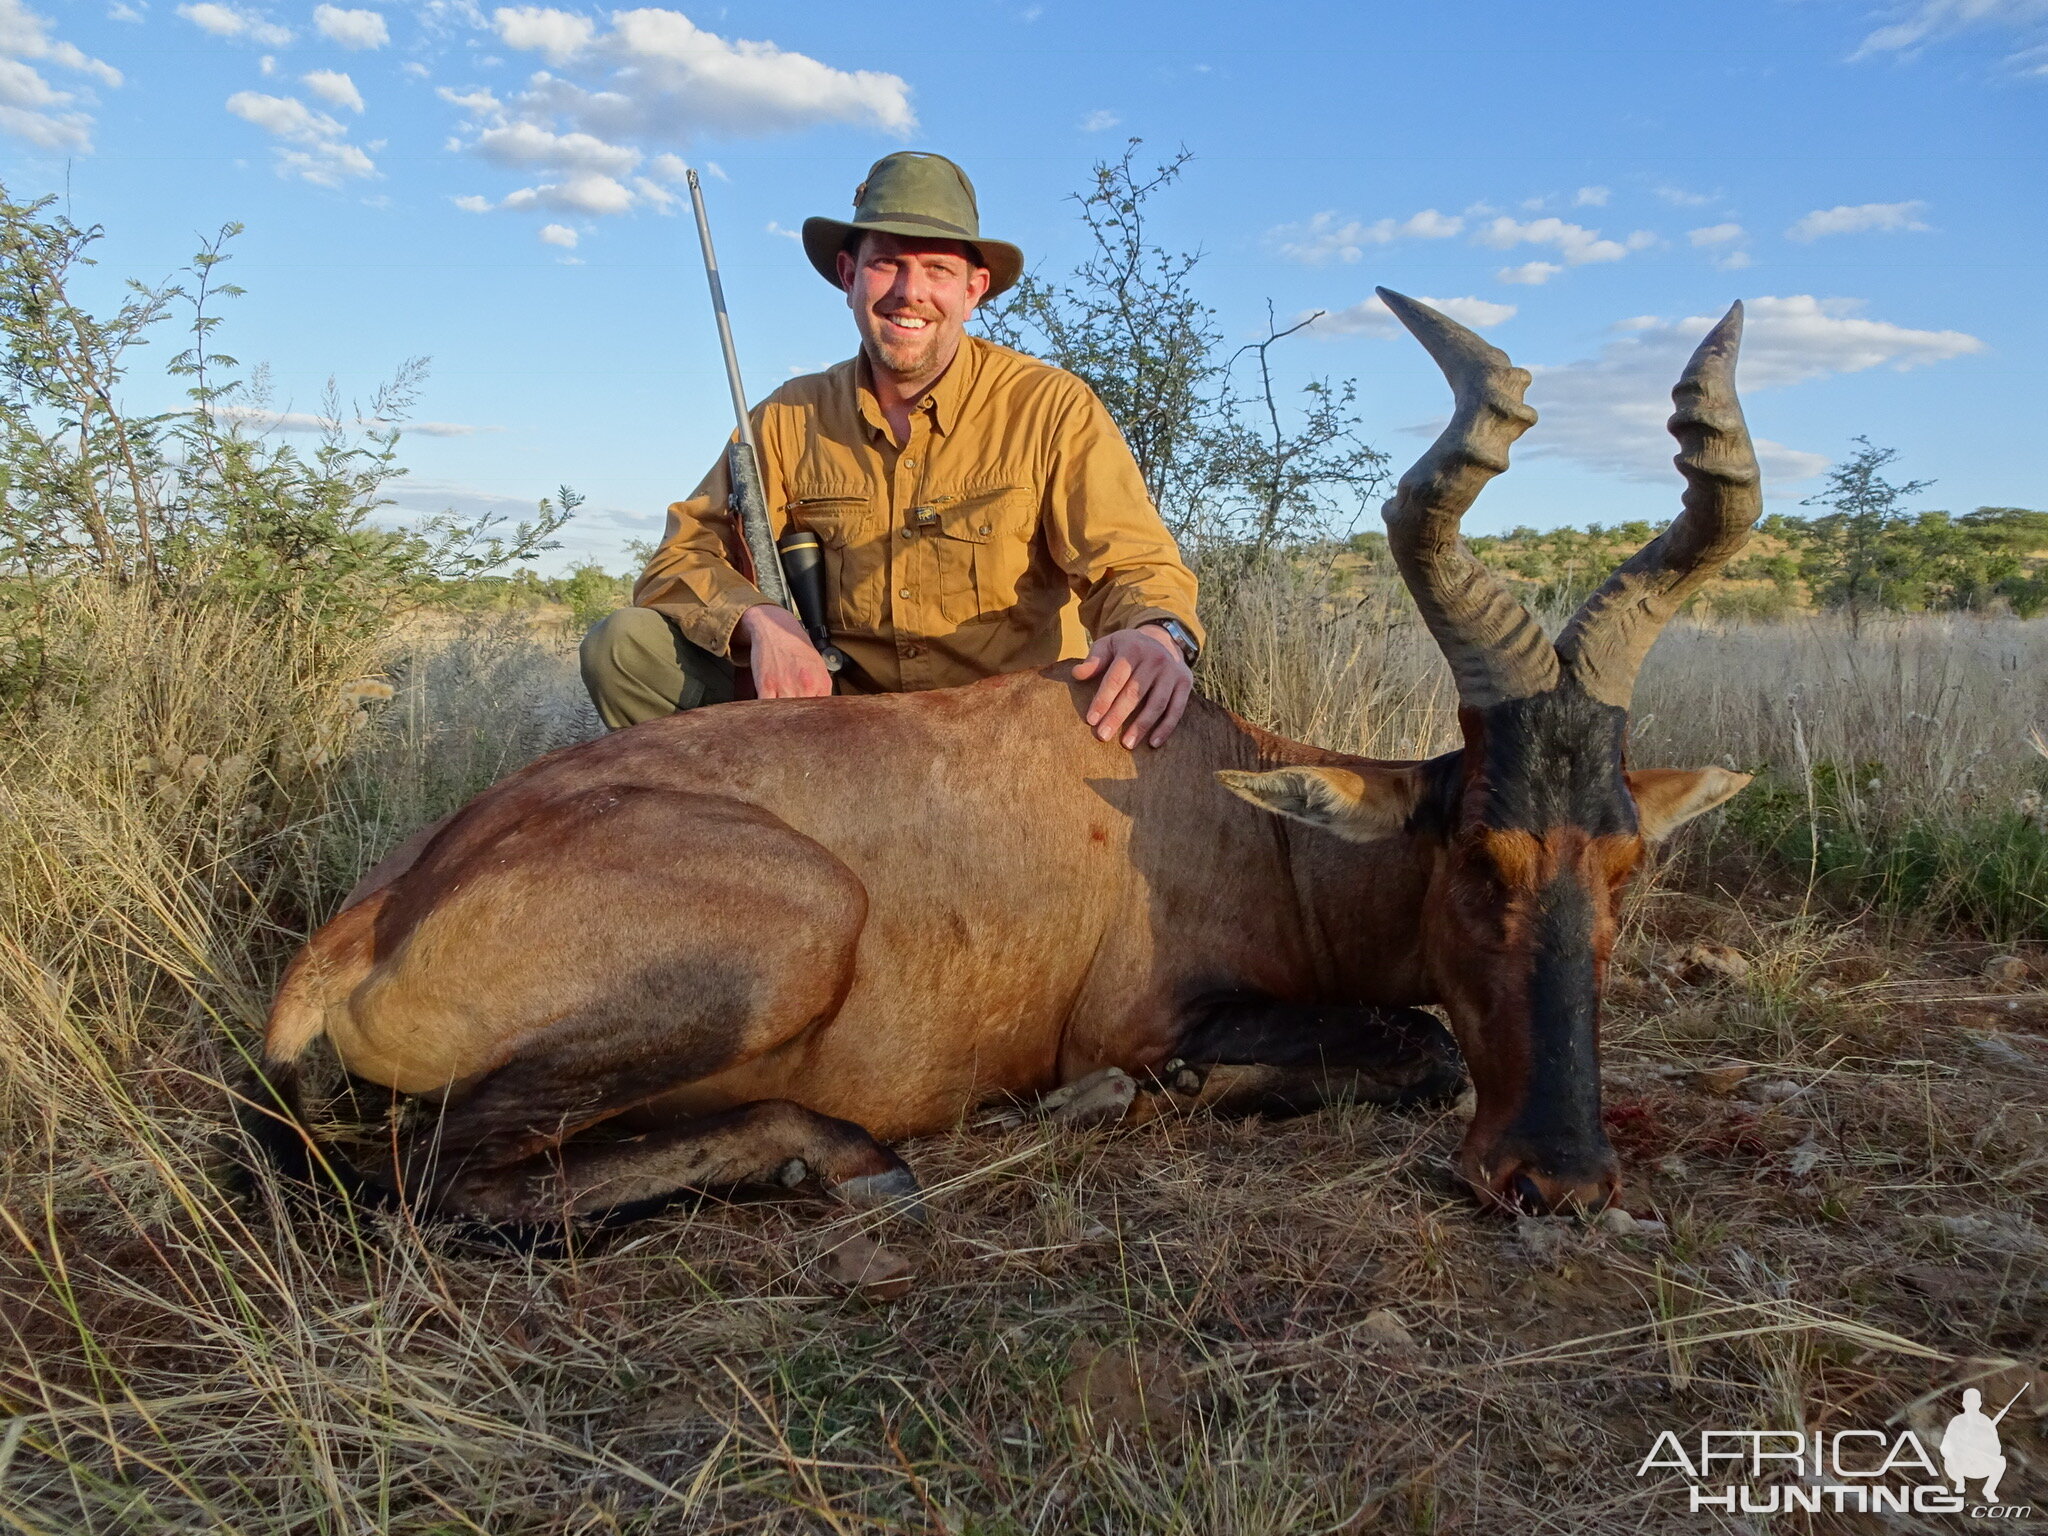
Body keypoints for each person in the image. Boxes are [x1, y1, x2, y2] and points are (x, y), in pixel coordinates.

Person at [580, 150, 1205, 751]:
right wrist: (761, 622)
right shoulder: (785, 417)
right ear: (850, 276)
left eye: (938, 269)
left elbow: (1134, 565)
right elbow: (681, 556)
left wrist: (1155, 632)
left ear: (973, 289)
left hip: (1004, 732)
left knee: (1137, 700)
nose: (910, 291)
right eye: (887, 264)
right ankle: (739, 841)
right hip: (843, 727)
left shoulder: (1051, 407)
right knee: (624, 648)